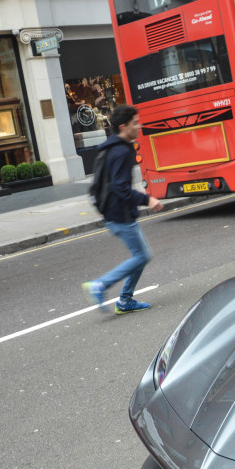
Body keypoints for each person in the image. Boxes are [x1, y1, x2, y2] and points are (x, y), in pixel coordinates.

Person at [82, 104, 163, 314]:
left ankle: (125, 301)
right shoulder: (120, 151)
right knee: (142, 256)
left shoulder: (114, 147)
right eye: (135, 123)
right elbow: (120, 187)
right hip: (118, 214)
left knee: (141, 254)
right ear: (123, 126)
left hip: (116, 211)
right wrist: (148, 200)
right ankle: (100, 285)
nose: (139, 126)